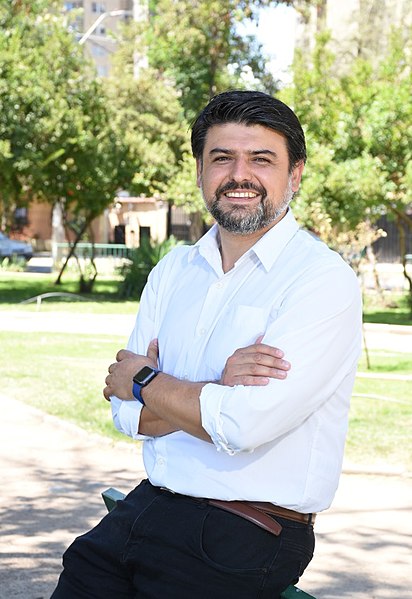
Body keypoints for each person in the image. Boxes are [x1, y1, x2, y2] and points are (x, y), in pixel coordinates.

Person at [51, 90, 362, 598]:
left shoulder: (321, 280)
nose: (240, 175)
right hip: (150, 502)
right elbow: (124, 415)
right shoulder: (175, 269)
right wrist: (215, 387)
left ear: (295, 174)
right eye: (222, 158)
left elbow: (244, 425)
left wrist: (147, 380)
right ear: (200, 171)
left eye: (262, 159)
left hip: (245, 529)